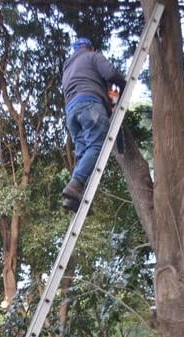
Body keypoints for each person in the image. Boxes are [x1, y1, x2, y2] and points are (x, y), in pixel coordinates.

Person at [60, 36, 127, 212]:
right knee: (97, 146)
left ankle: (74, 199)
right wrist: (124, 83)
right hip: (90, 105)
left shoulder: (67, 70)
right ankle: (75, 185)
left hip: (71, 112)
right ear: (90, 47)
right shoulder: (92, 56)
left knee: (83, 154)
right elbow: (111, 73)